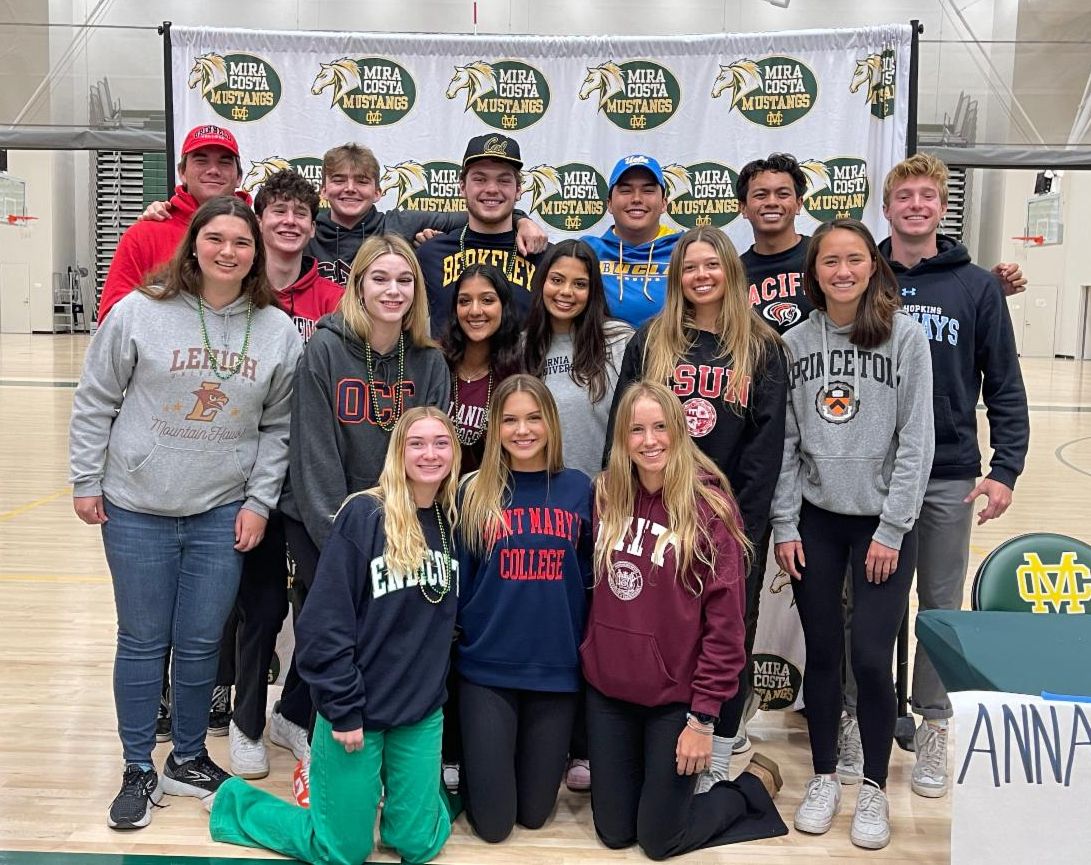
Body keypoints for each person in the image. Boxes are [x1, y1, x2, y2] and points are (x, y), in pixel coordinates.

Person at [69, 196, 302, 829]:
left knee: (201, 643)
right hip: (136, 505)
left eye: (242, 242)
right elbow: (95, 399)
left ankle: (189, 757)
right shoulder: (140, 311)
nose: (229, 251)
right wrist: (85, 479)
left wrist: (259, 502)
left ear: (256, 254)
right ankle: (138, 766)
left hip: (219, 510)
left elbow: (279, 427)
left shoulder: (276, 330)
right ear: (193, 244)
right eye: (216, 238)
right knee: (143, 641)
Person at [210, 407, 461, 865]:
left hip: (418, 712)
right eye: (417, 443)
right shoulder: (364, 514)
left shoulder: (452, 522)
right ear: (398, 452)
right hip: (357, 709)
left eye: (441, 443)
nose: (430, 454)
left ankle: (415, 806)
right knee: (341, 850)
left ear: (455, 452)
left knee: (419, 845)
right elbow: (323, 625)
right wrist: (343, 709)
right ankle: (235, 802)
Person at [771, 218, 934, 850]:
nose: (842, 271)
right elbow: (787, 442)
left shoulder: (905, 337)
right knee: (822, 653)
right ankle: (822, 777)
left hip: (881, 524)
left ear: (873, 266)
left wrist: (892, 529)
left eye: (854, 259)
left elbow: (917, 440)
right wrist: (785, 522)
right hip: (816, 520)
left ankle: (873, 786)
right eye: (830, 261)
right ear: (814, 272)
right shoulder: (794, 341)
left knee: (869, 655)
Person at [276, 233, 451, 804]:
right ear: (358, 286)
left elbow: (431, 454)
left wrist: (403, 527)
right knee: (334, 629)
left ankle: (360, 738)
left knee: (385, 632)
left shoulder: (428, 361)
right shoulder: (324, 351)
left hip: (401, 523)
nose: (392, 290)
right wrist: (347, 541)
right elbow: (314, 453)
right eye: (380, 278)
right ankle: (316, 740)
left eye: (404, 280)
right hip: (327, 521)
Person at [610, 226, 787, 784]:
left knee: (729, 630)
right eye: (690, 267)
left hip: (727, 522)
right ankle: (654, 734)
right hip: (654, 516)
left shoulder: (762, 346)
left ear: (730, 272)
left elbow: (765, 450)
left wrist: (742, 528)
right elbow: (623, 429)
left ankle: (721, 749)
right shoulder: (650, 340)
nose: (701, 276)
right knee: (658, 621)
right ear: (676, 277)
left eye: (712, 265)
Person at [877, 154, 1029, 799]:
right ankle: (861, 719)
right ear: (886, 207)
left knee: (940, 606)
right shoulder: (862, 275)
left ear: (943, 207)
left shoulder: (976, 287)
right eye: (904, 195)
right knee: (869, 605)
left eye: (927, 196)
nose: (916, 205)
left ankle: (934, 723)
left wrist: (1006, 468)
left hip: (947, 473)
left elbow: (1005, 383)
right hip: (871, 476)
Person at [582, 380, 786, 859]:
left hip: (675, 701)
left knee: (659, 841)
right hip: (610, 692)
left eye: (660, 427)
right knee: (614, 832)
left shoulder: (710, 508)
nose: (649, 440)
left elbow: (727, 628)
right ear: (622, 438)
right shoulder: (606, 494)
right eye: (637, 430)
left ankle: (751, 786)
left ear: (679, 430)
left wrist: (703, 719)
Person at [223, 168, 344, 780]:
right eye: (279, 211)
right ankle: (246, 722)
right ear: (260, 218)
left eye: (301, 212)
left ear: (312, 224)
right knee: (263, 608)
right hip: (250, 477)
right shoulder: (237, 294)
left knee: (320, 608)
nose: (290, 221)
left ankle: (292, 714)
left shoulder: (334, 298)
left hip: (313, 477)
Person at [456, 375, 592, 843]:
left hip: (555, 671)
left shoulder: (580, 489)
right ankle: (466, 774)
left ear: (551, 422)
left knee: (534, 815)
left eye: (534, 418)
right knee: (495, 827)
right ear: (495, 427)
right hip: (487, 670)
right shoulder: (474, 491)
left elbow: (590, 580)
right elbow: (462, 582)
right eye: (510, 420)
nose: (522, 430)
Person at [522, 238, 633, 790]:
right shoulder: (524, 343)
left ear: (594, 291)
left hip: (601, 505)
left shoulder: (618, 341)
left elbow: (632, 421)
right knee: (551, 621)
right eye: (556, 279)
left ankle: (590, 744)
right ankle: (549, 738)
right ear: (541, 283)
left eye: (579, 283)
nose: (566, 292)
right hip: (536, 508)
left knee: (598, 623)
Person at [307, 142, 545, 286]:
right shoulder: (306, 230)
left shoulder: (402, 223)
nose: (350, 188)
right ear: (323, 190)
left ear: (378, 192)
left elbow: (480, 214)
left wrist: (521, 220)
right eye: (339, 180)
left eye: (361, 181)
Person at [98, 125, 247, 321]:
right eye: (201, 160)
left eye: (224, 162)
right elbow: (113, 322)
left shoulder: (258, 235)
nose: (213, 170)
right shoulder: (144, 235)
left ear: (239, 177)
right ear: (182, 172)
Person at [416, 134, 548, 336]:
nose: (492, 189)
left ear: (518, 190)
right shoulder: (430, 254)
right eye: (480, 179)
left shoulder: (544, 258)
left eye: (504, 180)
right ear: (462, 187)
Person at [442, 263, 523, 475]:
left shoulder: (518, 373)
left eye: (487, 300)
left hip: (496, 492)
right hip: (435, 492)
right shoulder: (438, 366)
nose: (475, 311)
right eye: (464, 301)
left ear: (504, 306)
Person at [582, 154, 680, 328]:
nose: (636, 198)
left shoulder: (686, 249)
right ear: (609, 204)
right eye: (625, 190)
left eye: (648, 190)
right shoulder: (587, 250)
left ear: (664, 203)